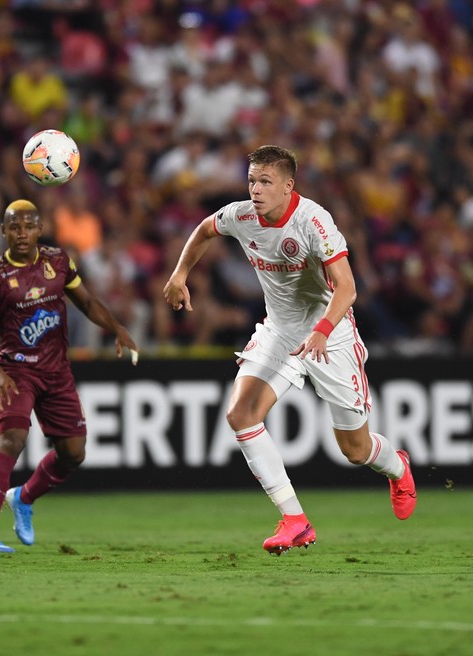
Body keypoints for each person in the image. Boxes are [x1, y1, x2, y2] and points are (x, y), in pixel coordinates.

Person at [163, 145, 416, 556]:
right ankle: (295, 520)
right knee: (240, 413)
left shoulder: (313, 221)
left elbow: (348, 288)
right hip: (280, 331)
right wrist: (179, 274)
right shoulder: (241, 215)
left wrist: (320, 330)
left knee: (354, 450)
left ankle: (397, 466)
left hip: (329, 335)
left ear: (287, 185)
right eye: (251, 181)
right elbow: (206, 229)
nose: (256, 190)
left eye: (265, 182)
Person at [0, 199, 138, 553]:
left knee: (73, 453)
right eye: (14, 227)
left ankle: (24, 498)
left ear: (39, 229)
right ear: (4, 231)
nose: (22, 234)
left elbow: (88, 303)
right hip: (17, 370)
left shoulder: (58, 262)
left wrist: (117, 328)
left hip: (57, 370)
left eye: (29, 226)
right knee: (12, 439)